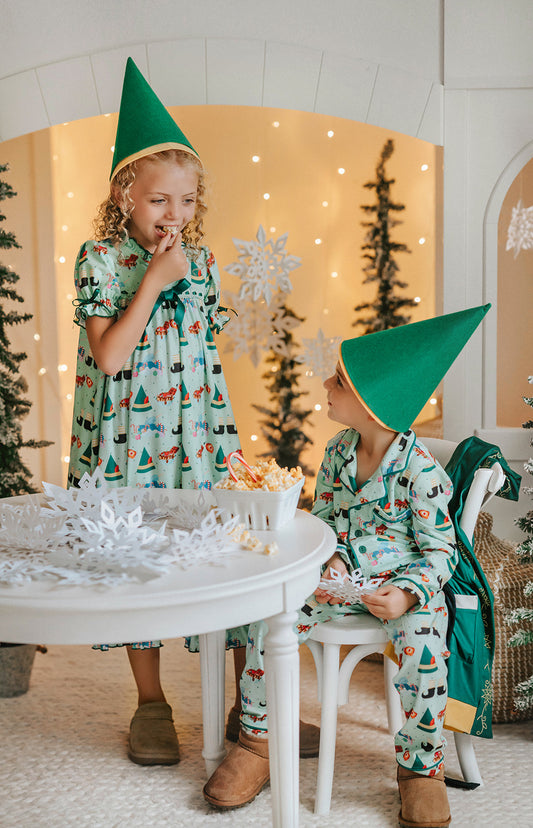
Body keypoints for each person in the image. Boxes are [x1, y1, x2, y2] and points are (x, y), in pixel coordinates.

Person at [203, 305, 491, 828]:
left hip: (403, 588)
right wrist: (330, 557)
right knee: (270, 617)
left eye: (339, 381)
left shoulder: (421, 472)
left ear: (373, 405)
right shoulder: (337, 452)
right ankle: (256, 742)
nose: (325, 383)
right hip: (339, 580)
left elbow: (441, 553)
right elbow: (327, 518)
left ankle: (420, 771)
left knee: (423, 647)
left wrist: (407, 593)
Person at [67, 57, 248, 767]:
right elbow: (110, 357)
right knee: (136, 559)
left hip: (197, 434)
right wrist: (153, 278)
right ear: (124, 196)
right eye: (158, 202)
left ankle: (248, 709)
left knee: (222, 560)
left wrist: (220, 440)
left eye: (187, 202)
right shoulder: (100, 259)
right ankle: (150, 702)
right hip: (125, 439)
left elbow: (203, 353)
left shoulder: (200, 263)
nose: (174, 216)